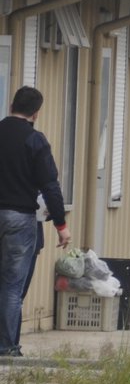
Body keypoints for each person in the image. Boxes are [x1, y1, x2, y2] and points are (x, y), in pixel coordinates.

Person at [0, 87, 69, 357]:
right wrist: (61, 226)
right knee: (12, 286)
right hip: (19, 219)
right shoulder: (34, 140)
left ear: (11, 105)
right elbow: (50, 187)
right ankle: (6, 348)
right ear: (36, 113)